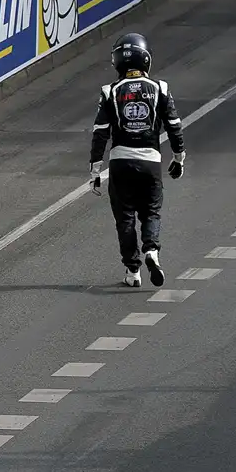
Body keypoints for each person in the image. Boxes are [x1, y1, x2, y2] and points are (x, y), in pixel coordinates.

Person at [89, 32, 186, 288]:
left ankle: (133, 271)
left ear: (118, 61)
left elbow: (100, 133)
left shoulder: (109, 91)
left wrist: (95, 170)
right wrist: (179, 158)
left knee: (125, 218)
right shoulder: (160, 88)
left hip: (120, 162)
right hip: (150, 162)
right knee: (151, 211)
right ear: (146, 59)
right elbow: (174, 125)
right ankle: (151, 250)